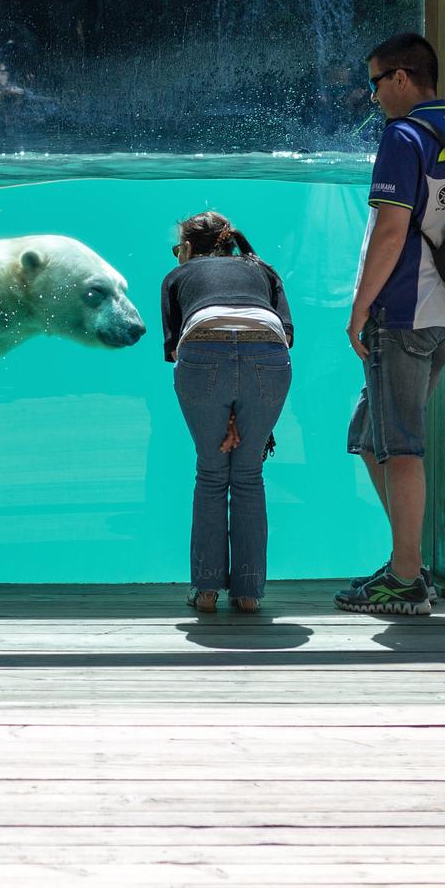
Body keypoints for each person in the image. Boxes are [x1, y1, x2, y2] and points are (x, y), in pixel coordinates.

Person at [335, 33, 445, 617]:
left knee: (400, 447)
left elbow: (392, 231)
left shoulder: (403, 135)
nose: (371, 97)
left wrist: (359, 307)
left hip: (404, 312)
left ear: (400, 78)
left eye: (374, 83)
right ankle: (407, 563)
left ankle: (407, 579)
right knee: (370, 436)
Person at [159, 211, 293, 614]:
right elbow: (285, 335)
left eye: (177, 247)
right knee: (249, 476)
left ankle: (205, 591)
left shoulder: (176, 277)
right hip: (268, 356)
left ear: (187, 248)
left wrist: (224, 409)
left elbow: (175, 352)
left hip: (202, 354)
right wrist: (241, 411)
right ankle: (248, 593)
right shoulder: (263, 270)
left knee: (212, 474)